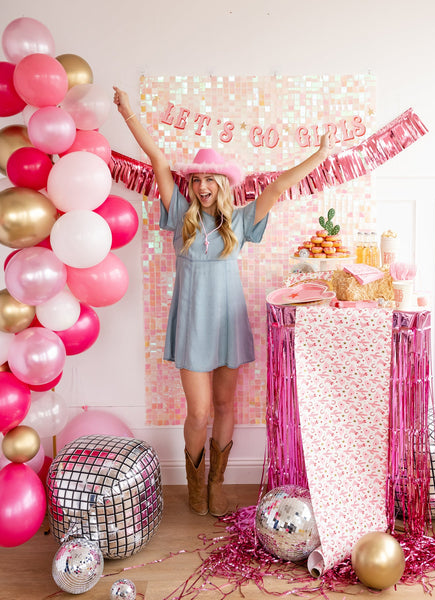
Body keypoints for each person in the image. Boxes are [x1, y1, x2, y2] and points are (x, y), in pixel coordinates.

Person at [113, 86, 334, 517]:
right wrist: (128, 115)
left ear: (222, 184)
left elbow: (279, 186)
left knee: (223, 405)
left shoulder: (239, 220)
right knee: (198, 412)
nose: (200, 185)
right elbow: (159, 161)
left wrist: (318, 157)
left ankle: (216, 482)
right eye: (195, 179)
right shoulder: (179, 214)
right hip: (193, 325)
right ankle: (195, 484)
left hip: (228, 322)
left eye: (208, 179)